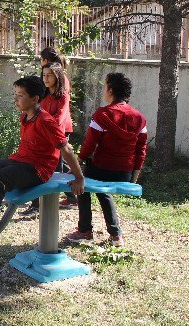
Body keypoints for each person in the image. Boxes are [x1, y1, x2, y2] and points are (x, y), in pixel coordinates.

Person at [0, 76, 85, 246]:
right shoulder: (24, 116)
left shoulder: (45, 121)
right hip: (21, 161)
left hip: (38, 169)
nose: (15, 99)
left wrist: (79, 177)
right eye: (15, 94)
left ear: (35, 99)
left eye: (20, 95)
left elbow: (66, 149)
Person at [66, 73, 147, 247]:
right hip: (124, 174)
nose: (104, 89)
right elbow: (141, 150)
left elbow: (89, 146)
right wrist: (134, 176)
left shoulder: (102, 115)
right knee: (103, 192)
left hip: (101, 170)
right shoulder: (139, 118)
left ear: (110, 90)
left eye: (105, 86)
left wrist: (76, 165)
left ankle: (85, 230)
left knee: (83, 184)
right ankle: (116, 236)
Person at [22, 46, 75, 215]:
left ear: (47, 61)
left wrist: (46, 129)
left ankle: (41, 203)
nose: (44, 77)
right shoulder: (46, 85)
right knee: (58, 165)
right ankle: (72, 197)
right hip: (46, 133)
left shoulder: (61, 85)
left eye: (41, 60)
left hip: (56, 132)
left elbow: (60, 113)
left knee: (52, 167)